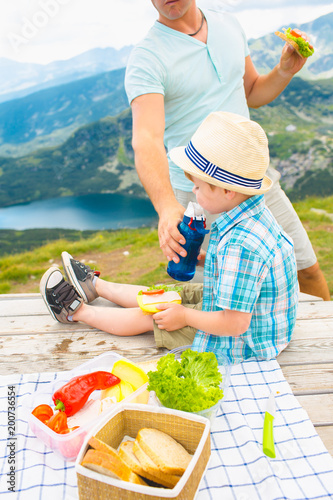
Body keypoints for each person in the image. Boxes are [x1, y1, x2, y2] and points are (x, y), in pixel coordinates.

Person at [40, 112, 298, 363]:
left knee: (155, 315)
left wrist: (184, 316)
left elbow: (235, 323)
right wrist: (204, 260)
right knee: (166, 295)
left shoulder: (242, 243)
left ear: (227, 190)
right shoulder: (253, 217)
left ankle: (73, 311)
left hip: (244, 342)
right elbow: (248, 274)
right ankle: (95, 287)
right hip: (256, 324)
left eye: (197, 186)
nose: (193, 192)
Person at [125, 0, 330, 300]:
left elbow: (251, 93)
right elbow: (146, 139)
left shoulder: (229, 25)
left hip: (252, 182)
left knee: (305, 269)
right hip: (199, 197)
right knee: (222, 298)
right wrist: (167, 207)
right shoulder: (147, 57)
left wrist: (284, 71)